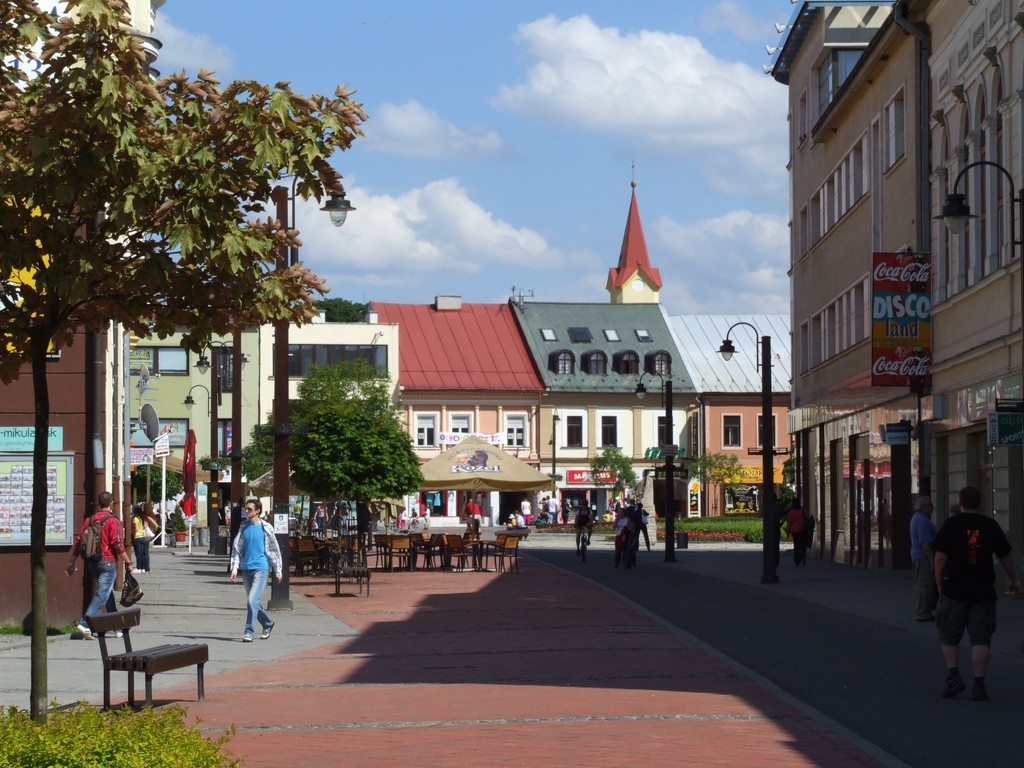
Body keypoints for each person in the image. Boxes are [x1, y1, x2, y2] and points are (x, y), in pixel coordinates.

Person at [932, 486, 1018, 701]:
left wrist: (939, 584)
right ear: (979, 503)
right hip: (983, 590)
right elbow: (1006, 557)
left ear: (961, 502)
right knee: (981, 639)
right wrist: (1014, 581)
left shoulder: (951, 524)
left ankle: (954, 676)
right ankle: (979, 684)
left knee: (949, 636)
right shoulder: (990, 525)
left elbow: (940, 559)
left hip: (954, 589)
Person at [65, 491, 134, 640]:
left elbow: (79, 541)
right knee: (102, 594)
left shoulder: (89, 520)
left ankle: (117, 626)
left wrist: (72, 562)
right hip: (107, 561)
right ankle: (85, 624)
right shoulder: (113, 520)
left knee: (107, 592)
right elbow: (117, 544)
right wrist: (128, 562)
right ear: (111, 504)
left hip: (92, 562)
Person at [229, 499, 283, 642]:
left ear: (258, 510)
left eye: (249, 509)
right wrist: (234, 569)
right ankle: (267, 623)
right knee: (253, 602)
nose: (246, 511)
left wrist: (278, 570)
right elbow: (237, 549)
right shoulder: (243, 526)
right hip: (246, 569)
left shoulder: (266, 527)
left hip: (261, 568)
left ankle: (249, 632)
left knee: (252, 600)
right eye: (245, 509)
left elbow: (274, 550)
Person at [909, 496, 938, 622]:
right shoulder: (922, 520)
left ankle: (924, 610)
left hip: (918, 555)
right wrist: (931, 558)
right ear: (924, 506)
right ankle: (923, 612)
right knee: (924, 584)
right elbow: (924, 542)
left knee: (923, 583)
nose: (932, 508)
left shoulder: (917, 519)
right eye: (930, 505)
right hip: (923, 556)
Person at [131, 504, 156, 573]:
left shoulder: (135, 518)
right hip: (143, 536)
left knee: (138, 553)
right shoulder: (142, 518)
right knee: (143, 553)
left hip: (137, 536)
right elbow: (153, 525)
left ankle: (139, 567)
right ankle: (144, 568)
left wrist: (130, 531)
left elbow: (135, 528)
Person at [786, 498, 809, 566]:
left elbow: (789, 522)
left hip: (794, 531)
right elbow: (806, 518)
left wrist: (788, 531)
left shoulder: (791, 512)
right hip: (802, 530)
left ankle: (797, 561)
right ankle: (803, 557)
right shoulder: (802, 510)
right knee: (803, 545)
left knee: (796, 546)